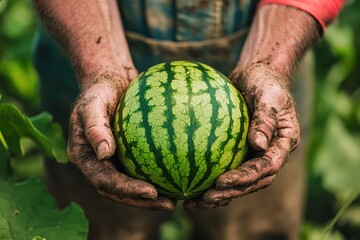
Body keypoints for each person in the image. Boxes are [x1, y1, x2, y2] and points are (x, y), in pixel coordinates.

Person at [32, 0, 343, 239]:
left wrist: (270, 64)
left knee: (254, 231)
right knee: (100, 231)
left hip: (273, 37)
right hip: (85, 33)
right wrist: (98, 65)